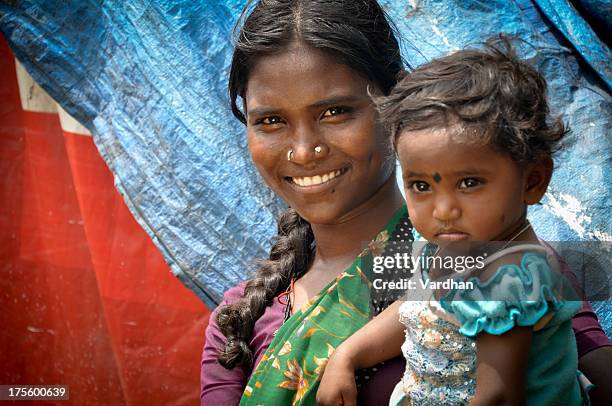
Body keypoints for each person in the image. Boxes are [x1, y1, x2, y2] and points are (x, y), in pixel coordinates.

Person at [200, 1, 612, 405]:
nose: (304, 151)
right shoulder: (240, 318)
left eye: (335, 111)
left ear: (394, 104)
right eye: (271, 121)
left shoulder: (501, 256)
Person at [316, 39, 605, 406]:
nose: (443, 209)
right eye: (420, 185)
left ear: (532, 181)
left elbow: (498, 396)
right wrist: (347, 356)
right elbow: (417, 307)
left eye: (469, 183)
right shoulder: (454, 247)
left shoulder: (509, 278)